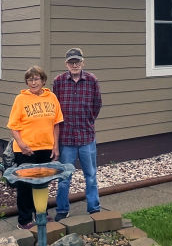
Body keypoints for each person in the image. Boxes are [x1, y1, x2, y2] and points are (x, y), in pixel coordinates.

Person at [7, 66, 63, 230]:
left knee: (42, 183)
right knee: (25, 185)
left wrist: (56, 146)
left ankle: (41, 212)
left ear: (43, 81)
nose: (33, 82)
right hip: (26, 150)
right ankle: (24, 220)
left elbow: (56, 124)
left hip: (45, 147)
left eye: (36, 79)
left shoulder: (51, 97)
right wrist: (22, 145)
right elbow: (13, 125)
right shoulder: (21, 99)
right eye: (30, 79)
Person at [53, 48, 102, 221]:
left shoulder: (92, 80)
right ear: (66, 64)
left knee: (90, 175)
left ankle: (94, 208)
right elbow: (55, 109)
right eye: (71, 62)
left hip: (87, 137)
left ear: (83, 62)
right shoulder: (58, 82)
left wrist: (88, 121)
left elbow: (97, 104)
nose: (74, 65)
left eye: (77, 61)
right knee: (64, 177)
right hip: (66, 139)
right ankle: (62, 209)